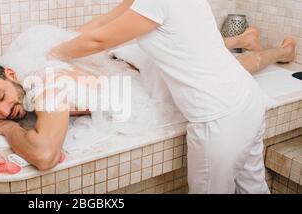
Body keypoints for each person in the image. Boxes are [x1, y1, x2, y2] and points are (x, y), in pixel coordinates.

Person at [46, 0, 296, 193]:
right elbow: (102, 23)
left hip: (220, 118)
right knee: (253, 188)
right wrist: (55, 41)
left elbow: (98, 39)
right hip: (247, 100)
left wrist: (50, 55)